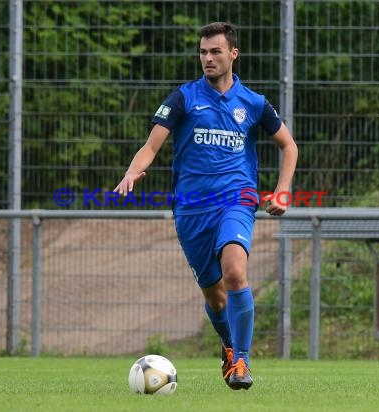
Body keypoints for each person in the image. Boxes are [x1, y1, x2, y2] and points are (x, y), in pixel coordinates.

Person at [114, 21, 298, 390]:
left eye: (215, 51)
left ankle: (242, 362)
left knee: (234, 272)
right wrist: (133, 172)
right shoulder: (183, 98)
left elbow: (289, 146)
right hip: (191, 209)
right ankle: (230, 348)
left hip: (237, 197)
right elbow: (151, 147)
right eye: (203, 52)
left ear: (233, 54)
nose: (208, 58)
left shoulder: (254, 103)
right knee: (215, 297)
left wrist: (282, 190)